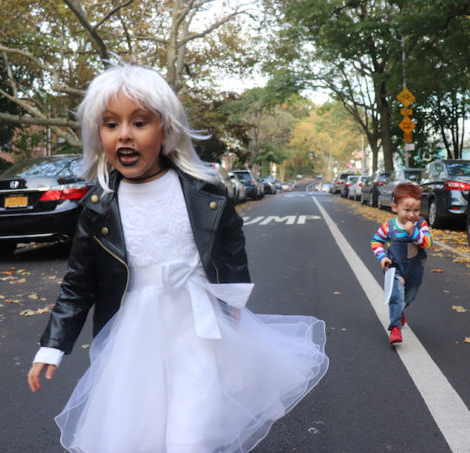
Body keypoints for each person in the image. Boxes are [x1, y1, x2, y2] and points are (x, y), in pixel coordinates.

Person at [27, 63, 329, 453]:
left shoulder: (204, 192)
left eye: (139, 122)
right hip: (132, 338)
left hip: (198, 331)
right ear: (97, 133)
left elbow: (229, 243)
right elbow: (78, 283)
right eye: (110, 124)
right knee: (136, 434)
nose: (124, 135)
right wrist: (52, 345)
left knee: (192, 437)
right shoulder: (99, 206)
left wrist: (232, 298)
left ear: (166, 129)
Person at [371, 182, 432, 344]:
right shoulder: (389, 227)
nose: (412, 215)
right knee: (396, 295)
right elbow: (376, 242)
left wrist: (413, 232)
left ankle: (400, 310)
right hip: (395, 267)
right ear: (394, 207)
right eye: (407, 210)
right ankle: (395, 328)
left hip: (415, 269)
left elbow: (427, 243)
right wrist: (382, 257)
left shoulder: (421, 224)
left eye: (416, 210)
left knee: (409, 296)